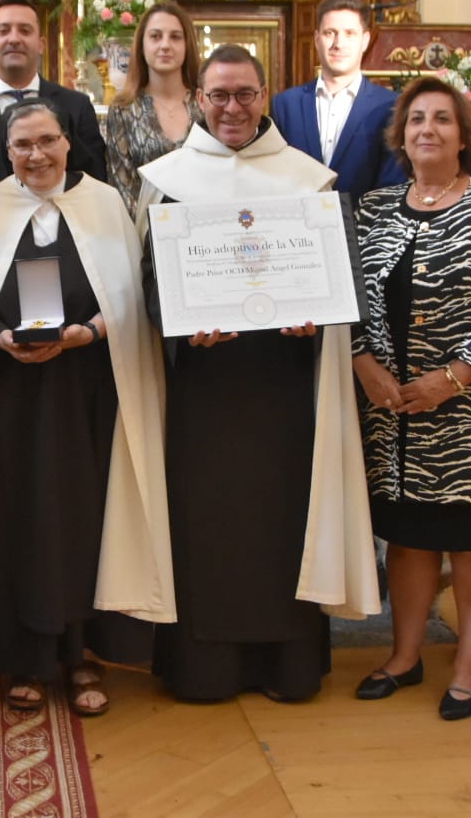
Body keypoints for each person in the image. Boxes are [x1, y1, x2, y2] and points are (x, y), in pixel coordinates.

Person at [137, 45, 379, 704]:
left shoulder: (309, 179)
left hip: (285, 387)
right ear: (199, 101)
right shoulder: (167, 176)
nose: (232, 108)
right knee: (207, 523)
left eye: (244, 94)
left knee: (283, 520)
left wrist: (319, 316)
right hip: (205, 389)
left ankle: (287, 663)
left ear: (265, 94)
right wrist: (181, 323)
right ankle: (204, 666)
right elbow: (149, 285)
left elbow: (341, 281)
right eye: (219, 96)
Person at [0, 100, 173, 717]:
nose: (36, 155)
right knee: (16, 524)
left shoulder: (105, 203)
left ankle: (83, 656)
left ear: (67, 143)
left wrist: (90, 331)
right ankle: (25, 660)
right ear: (7, 152)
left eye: (47, 141)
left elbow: (131, 299)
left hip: (86, 395)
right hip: (9, 399)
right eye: (22, 145)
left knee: (82, 523)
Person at [350, 76, 471, 721]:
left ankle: (467, 666)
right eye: (415, 120)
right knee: (407, 542)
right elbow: (345, 295)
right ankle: (405, 657)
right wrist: (363, 363)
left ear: (465, 134)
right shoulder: (374, 210)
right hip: (395, 413)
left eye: (440, 119)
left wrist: (457, 376)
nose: (426, 130)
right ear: (399, 136)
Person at [0, 0, 108, 200]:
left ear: (41, 44)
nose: (14, 39)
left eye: (25, 30)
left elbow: (93, 181)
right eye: (4, 31)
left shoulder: (76, 105)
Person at [271, 0, 402, 201]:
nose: (338, 44)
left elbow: (393, 186)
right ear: (316, 39)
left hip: (365, 229)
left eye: (349, 34)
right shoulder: (285, 105)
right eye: (330, 33)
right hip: (300, 230)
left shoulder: (391, 106)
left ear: (365, 40)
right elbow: (275, 180)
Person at [102, 1, 203, 218]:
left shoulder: (205, 103)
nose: (165, 45)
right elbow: (122, 187)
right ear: (142, 45)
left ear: (187, 45)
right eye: (155, 36)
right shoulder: (123, 110)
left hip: (205, 233)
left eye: (175, 37)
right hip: (145, 238)